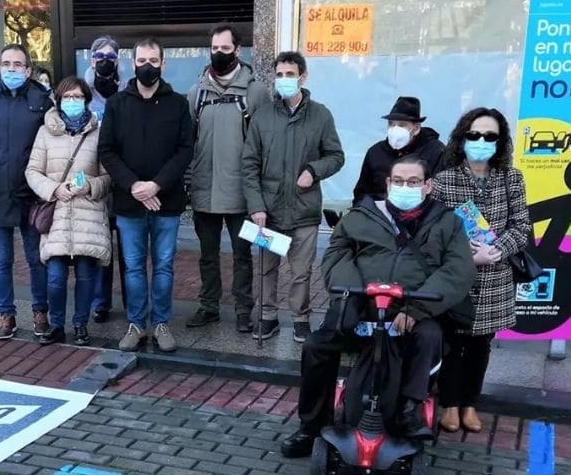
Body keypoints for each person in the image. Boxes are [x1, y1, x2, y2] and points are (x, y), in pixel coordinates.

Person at [279, 156, 476, 458]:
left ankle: (410, 410)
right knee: (318, 346)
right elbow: (337, 254)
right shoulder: (360, 217)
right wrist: (351, 296)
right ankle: (311, 427)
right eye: (398, 181)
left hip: (413, 309)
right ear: (388, 184)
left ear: (428, 186)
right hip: (362, 304)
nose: (405, 187)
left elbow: (458, 270)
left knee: (430, 337)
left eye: (413, 182)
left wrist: (417, 309)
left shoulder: (447, 223)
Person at [431, 107, 531, 433]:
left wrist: (496, 251)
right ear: (463, 138)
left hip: (495, 278)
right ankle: (449, 404)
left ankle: (471, 403)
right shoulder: (444, 180)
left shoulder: (511, 178)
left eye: (490, 136)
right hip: (457, 275)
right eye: (475, 135)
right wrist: (464, 255)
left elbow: (521, 227)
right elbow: (433, 230)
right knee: (452, 343)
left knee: (480, 346)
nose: (481, 141)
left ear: (499, 142)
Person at [98, 37, 194, 353]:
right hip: (129, 202)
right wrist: (134, 186)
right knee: (134, 266)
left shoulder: (178, 103)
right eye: (142, 61)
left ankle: (161, 323)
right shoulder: (116, 104)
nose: (148, 66)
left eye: (154, 61)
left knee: (164, 265)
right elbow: (107, 151)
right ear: (132, 63)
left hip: (166, 201)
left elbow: (184, 151)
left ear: (163, 64)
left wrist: (156, 185)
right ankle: (137, 323)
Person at [241, 51, 345, 343]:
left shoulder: (321, 115)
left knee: (301, 272)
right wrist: (256, 206)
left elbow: (336, 156)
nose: (284, 80)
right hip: (269, 210)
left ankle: (300, 319)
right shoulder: (262, 117)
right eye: (279, 75)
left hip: (304, 209)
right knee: (266, 269)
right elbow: (249, 164)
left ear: (303, 77)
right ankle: (267, 316)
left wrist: (314, 170)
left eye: (290, 74)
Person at [0, 44, 53, 341]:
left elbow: (54, 145)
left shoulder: (42, 101)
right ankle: (6, 313)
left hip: (31, 193)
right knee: (2, 260)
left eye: (18, 64)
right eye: (6, 64)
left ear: (29, 70)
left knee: (36, 259)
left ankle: (41, 312)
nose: (12, 69)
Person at [186, 24, 263, 334]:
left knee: (243, 256)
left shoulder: (255, 92)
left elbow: (263, 145)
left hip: (242, 195)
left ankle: (244, 310)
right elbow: (188, 142)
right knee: (207, 256)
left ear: (238, 51)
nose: (219, 53)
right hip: (204, 191)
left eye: (224, 48)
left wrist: (259, 195)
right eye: (214, 48)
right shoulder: (197, 93)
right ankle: (209, 306)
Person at [26, 76, 113, 347]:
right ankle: (56, 325)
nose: (72, 101)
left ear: (86, 100)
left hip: (89, 213)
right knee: (55, 277)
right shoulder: (45, 132)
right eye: (67, 97)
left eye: (77, 97)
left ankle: (80, 325)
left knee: (87, 275)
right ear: (58, 100)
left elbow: (109, 176)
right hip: (58, 215)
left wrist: (89, 185)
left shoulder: (99, 132)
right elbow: (32, 171)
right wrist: (53, 189)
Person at [347, 96, 445, 226]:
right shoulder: (375, 152)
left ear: (416, 128)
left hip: (423, 224)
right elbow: (362, 193)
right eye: (392, 124)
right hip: (380, 223)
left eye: (402, 125)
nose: (395, 129)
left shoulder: (436, 151)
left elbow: (441, 193)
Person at [84, 35, 128, 323]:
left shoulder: (128, 91)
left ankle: (131, 303)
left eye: (110, 58)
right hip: (95, 181)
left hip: (124, 181)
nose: (104, 62)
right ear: (91, 59)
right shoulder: (80, 94)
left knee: (128, 250)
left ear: (118, 61)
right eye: (100, 57)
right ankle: (100, 303)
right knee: (100, 247)